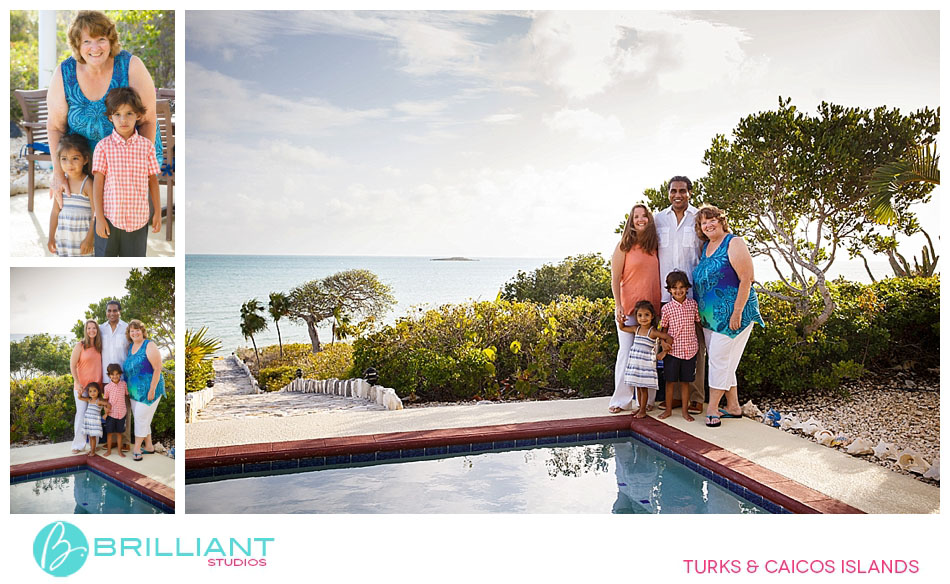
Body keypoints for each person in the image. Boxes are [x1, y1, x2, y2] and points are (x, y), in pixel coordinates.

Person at [46, 12, 162, 240]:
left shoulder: (131, 66)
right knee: (81, 233)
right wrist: (59, 174)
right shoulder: (64, 72)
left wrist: (138, 166)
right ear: (77, 45)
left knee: (125, 232)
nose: (94, 47)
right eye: (86, 41)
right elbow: (55, 126)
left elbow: (148, 120)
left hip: (129, 158)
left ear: (111, 41)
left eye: (101, 39)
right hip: (83, 162)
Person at [692, 205, 765, 428]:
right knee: (723, 361)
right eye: (704, 222)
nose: (708, 224)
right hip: (710, 318)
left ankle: (713, 407)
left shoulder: (734, 242)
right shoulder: (705, 247)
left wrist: (737, 312)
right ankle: (733, 406)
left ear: (721, 220)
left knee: (719, 360)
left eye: (712, 219)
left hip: (733, 315)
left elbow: (746, 278)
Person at [654, 176, 705, 414]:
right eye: (673, 190)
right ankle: (672, 397)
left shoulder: (699, 218)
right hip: (666, 296)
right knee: (667, 345)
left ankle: (696, 396)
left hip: (693, 294)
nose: (678, 195)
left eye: (682, 191)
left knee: (696, 346)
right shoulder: (657, 220)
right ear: (668, 193)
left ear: (690, 193)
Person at [92, 87, 162, 257]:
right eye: (117, 114)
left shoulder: (146, 147)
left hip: (138, 220)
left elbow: (152, 180)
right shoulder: (103, 147)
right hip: (109, 218)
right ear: (110, 117)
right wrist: (99, 218)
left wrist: (158, 213)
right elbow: (98, 184)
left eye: (129, 113)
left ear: (138, 115)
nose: (123, 120)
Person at [609, 204, 663, 413]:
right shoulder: (623, 246)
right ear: (631, 221)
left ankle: (648, 401)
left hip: (651, 312)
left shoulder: (654, 245)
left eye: (644, 216)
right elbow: (615, 279)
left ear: (649, 219)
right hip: (629, 310)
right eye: (636, 217)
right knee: (626, 353)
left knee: (648, 355)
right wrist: (618, 306)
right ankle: (621, 401)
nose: (640, 220)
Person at [657, 270, 700, 422]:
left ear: (687, 288)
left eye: (681, 287)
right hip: (673, 351)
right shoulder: (667, 309)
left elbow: (698, 323)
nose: (678, 291)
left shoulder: (693, 305)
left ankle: (684, 411)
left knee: (685, 382)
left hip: (690, 350)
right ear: (669, 290)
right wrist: (663, 344)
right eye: (674, 288)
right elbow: (663, 329)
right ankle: (668, 410)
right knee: (670, 382)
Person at [617, 300, 671, 418]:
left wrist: (664, 351)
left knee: (644, 389)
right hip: (636, 364)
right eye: (640, 315)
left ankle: (643, 410)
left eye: (646, 315)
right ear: (636, 317)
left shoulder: (653, 332)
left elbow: (667, 337)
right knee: (638, 387)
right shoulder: (636, 329)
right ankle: (640, 407)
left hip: (645, 365)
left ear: (652, 316)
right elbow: (622, 328)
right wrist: (620, 321)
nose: (643, 318)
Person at [123, 320, 165, 461]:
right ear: (129, 334)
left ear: (142, 331)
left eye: (137, 330)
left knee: (141, 417)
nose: (135, 333)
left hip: (149, 389)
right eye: (131, 331)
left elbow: (157, 368)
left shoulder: (149, 345)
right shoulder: (130, 347)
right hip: (134, 392)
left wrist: (152, 389)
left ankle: (136, 449)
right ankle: (149, 446)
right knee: (143, 419)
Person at [47, 134, 95, 256]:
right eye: (64, 159)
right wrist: (51, 237)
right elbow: (55, 212)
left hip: (83, 242)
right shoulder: (61, 185)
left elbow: (96, 214)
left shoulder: (88, 184)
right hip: (64, 242)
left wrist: (90, 239)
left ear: (85, 159)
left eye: (75, 158)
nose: (69, 164)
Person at [100, 301, 131, 450]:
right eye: (109, 311)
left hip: (123, 378)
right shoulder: (101, 329)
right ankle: (111, 440)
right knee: (109, 409)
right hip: (106, 378)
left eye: (114, 311)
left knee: (125, 409)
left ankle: (125, 442)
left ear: (120, 311)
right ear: (106, 312)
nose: (111, 313)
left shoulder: (127, 328)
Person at [69, 319, 102, 453]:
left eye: (94, 328)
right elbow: (72, 365)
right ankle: (78, 445)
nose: (91, 331)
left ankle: (94, 446)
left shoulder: (100, 346)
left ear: (97, 330)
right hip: (82, 388)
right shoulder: (80, 345)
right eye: (89, 328)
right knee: (81, 415)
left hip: (96, 389)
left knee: (94, 416)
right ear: (85, 330)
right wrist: (78, 383)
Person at [102, 363, 128, 457]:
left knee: (119, 433)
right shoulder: (107, 387)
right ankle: (108, 450)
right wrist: (105, 411)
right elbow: (105, 400)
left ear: (120, 374)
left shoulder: (124, 384)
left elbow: (126, 395)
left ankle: (119, 451)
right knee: (109, 433)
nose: (115, 376)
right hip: (111, 414)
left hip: (121, 413)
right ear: (109, 375)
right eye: (112, 374)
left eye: (117, 374)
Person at [77, 382, 109, 457]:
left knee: (93, 437)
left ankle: (93, 452)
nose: (92, 393)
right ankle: (92, 449)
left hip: (94, 422)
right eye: (90, 391)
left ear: (98, 391)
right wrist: (80, 393)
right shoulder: (89, 400)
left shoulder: (99, 401)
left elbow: (108, 404)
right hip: (88, 420)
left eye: (94, 391)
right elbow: (80, 398)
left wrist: (106, 414)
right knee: (90, 437)